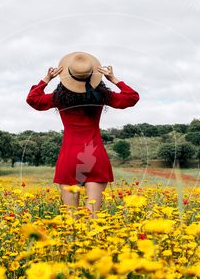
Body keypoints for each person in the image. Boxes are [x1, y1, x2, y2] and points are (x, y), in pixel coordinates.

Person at [25, 51, 140, 216]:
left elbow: (33, 99)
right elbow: (132, 97)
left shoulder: (58, 98)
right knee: (93, 216)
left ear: (67, 77)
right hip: (95, 155)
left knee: (71, 217)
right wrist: (113, 78)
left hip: (69, 157)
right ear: (93, 76)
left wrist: (46, 79)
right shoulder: (101, 96)